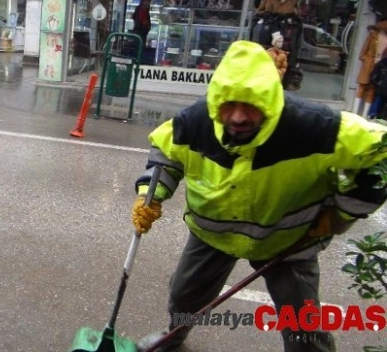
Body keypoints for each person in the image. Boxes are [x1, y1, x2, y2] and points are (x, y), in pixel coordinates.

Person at [130, 40, 387, 352]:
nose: (238, 116)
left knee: (303, 324)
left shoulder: (314, 126)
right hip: (214, 236)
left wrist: (340, 216)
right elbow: (165, 156)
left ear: (269, 100)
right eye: (229, 104)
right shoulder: (195, 122)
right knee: (185, 297)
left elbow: (379, 155)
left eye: (250, 104)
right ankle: (174, 338)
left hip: (288, 241)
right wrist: (150, 195)